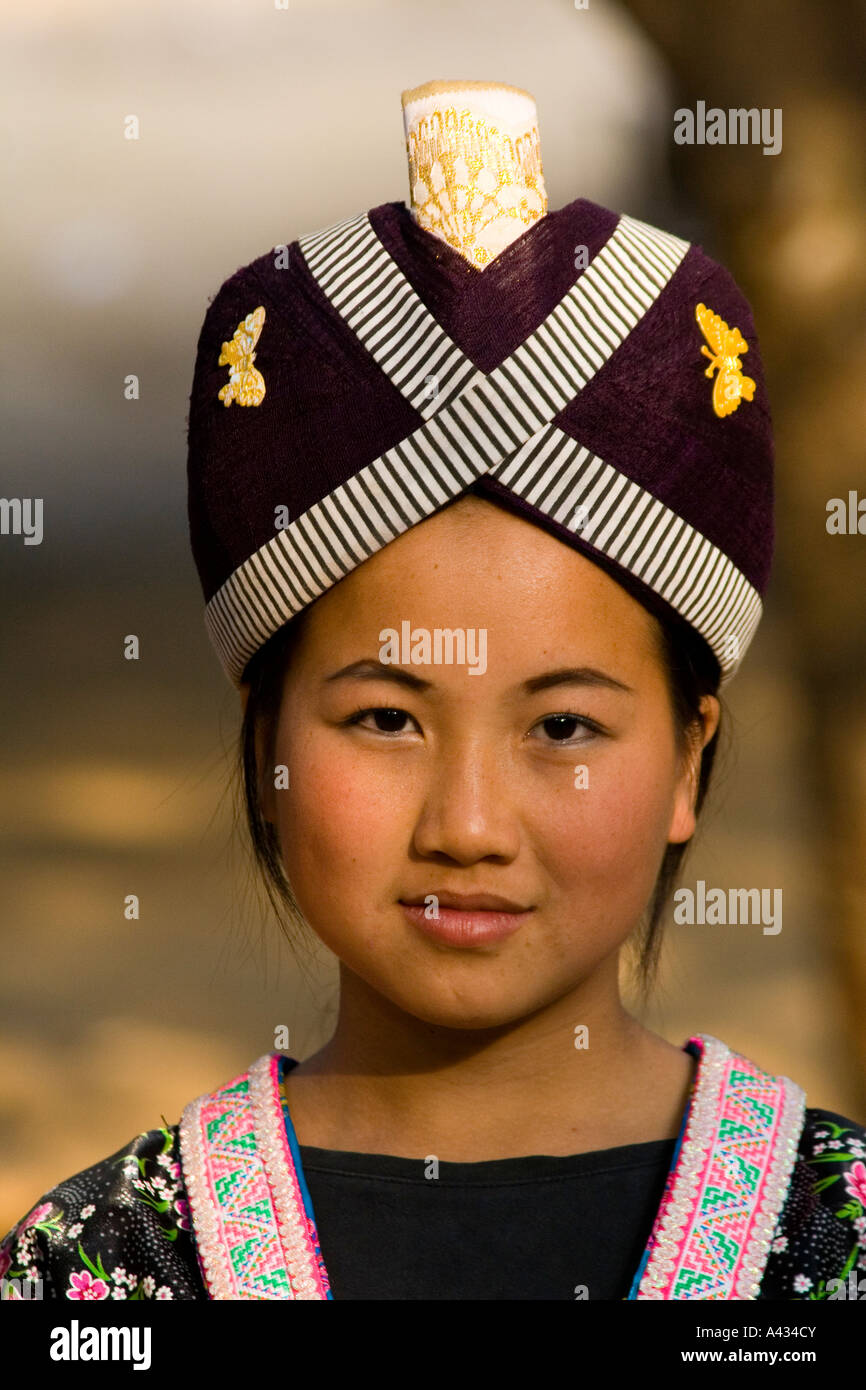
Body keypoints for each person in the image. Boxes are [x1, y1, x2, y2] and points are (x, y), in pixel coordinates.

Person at [3, 80, 865, 1303]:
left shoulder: (835, 1246)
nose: (465, 825)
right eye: (385, 718)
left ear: (684, 758)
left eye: (562, 725)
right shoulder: (100, 1276)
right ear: (264, 750)